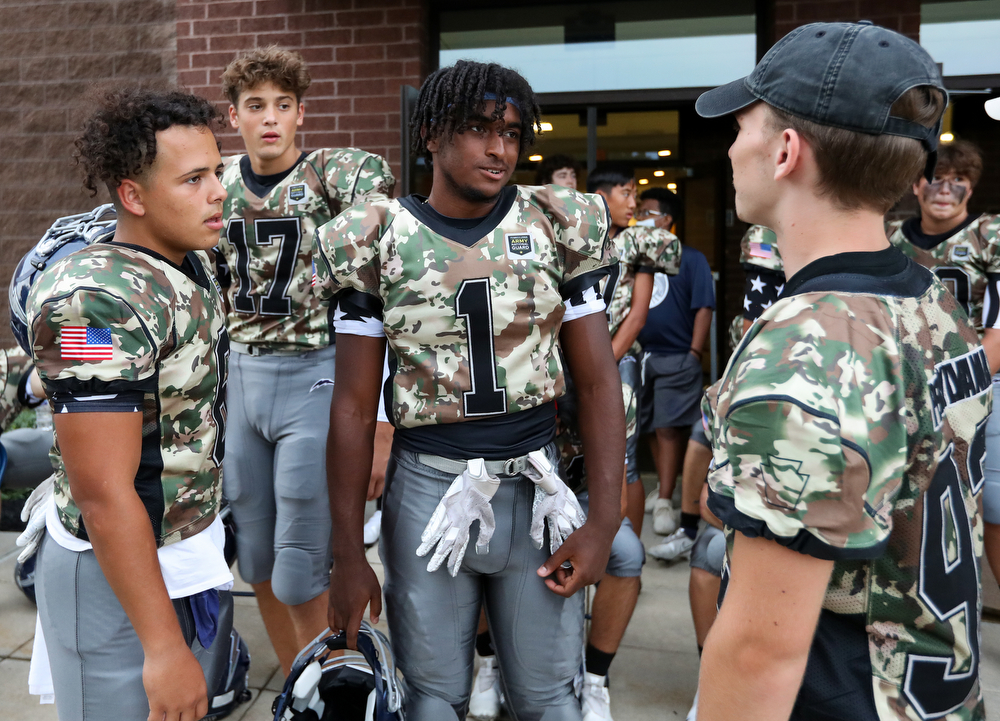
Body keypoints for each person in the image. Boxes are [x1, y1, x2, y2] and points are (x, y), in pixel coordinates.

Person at [315, 59, 625, 721]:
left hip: (536, 486)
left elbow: (599, 382)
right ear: (430, 133)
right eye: (480, 128)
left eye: (512, 133)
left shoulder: (556, 222)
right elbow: (349, 404)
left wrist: (604, 518)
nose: (500, 148)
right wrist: (347, 551)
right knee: (431, 700)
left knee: (551, 701)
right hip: (427, 486)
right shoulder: (375, 235)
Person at [697, 21, 987, 721]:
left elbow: (759, 655)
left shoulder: (802, 355)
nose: (732, 146)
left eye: (744, 126)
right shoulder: (935, 299)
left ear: (786, 151)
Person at [26, 87, 233, 720]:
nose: (218, 192)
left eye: (217, 172)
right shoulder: (90, 298)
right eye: (194, 178)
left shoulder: (188, 262)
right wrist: (163, 647)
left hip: (177, 554)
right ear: (133, 195)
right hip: (115, 577)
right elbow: (102, 491)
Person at [217, 45, 394, 672]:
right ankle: (307, 685)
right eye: (255, 105)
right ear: (233, 115)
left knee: (299, 563)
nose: (269, 118)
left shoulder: (335, 175)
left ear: (301, 116)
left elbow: (380, 272)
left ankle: (340, 684)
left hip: (314, 371)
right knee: (257, 559)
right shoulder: (215, 180)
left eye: (283, 105)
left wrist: (379, 416)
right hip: (239, 376)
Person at [885, 140, 1000, 589]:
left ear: (971, 189)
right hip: (902, 383)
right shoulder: (889, 235)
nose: (945, 188)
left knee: (991, 501)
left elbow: (998, 335)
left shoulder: (989, 234)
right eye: (936, 177)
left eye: (959, 180)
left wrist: (944, 390)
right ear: (916, 184)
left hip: (979, 383)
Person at [651, 224, 778, 562]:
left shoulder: (770, 234)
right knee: (699, 433)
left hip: (779, 376)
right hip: (756, 369)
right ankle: (689, 530)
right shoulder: (762, 235)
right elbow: (755, 317)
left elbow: (756, 326)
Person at [587, 169, 681, 540]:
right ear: (600, 195)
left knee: (623, 460)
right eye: (626, 193)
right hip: (581, 364)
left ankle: (628, 556)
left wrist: (603, 365)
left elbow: (638, 315)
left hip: (617, 361)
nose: (633, 204)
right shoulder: (576, 238)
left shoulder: (641, 242)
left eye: (635, 196)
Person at [632, 187, 713, 540]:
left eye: (646, 212)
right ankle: (663, 489)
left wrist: (695, 353)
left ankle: (665, 498)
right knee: (649, 425)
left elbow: (704, 307)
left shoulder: (692, 259)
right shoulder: (636, 258)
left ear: (666, 219)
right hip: (640, 357)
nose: (639, 219)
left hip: (677, 357)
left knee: (668, 428)